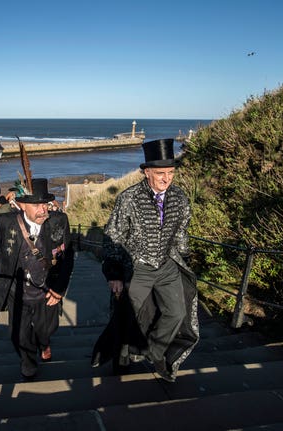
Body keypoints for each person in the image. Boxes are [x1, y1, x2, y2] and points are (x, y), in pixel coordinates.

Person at [0, 178, 74, 380]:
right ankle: (28, 364)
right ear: (22, 205)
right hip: (16, 291)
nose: (43, 210)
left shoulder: (59, 221)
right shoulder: (6, 222)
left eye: (45, 204)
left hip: (47, 290)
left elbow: (68, 256)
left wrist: (59, 289)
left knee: (47, 329)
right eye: (36, 205)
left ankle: (44, 343)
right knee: (18, 334)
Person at [100, 138, 199, 382]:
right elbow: (113, 235)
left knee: (177, 313)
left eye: (171, 172)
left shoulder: (180, 197)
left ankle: (153, 352)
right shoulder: (129, 198)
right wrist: (114, 273)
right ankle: (122, 357)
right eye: (160, 173)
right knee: (127, 315)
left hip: (167, 265)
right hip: (137, 267)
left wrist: (184, 259)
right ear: (147, 173)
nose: (166, 178)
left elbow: (180, 233)